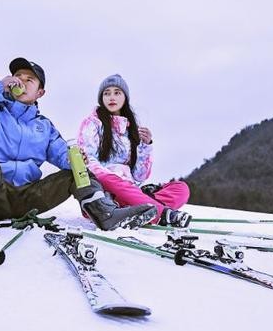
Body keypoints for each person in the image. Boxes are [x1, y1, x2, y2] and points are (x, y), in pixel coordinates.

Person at [0, 58, 157, 235]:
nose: (21, 81)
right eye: (18, 77)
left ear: (40, 92)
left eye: (29, 79)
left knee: (76, 169)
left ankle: (106, 214)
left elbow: (62, 155)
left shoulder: (44, 127)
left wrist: (75, 159)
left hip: (27, 197)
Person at [77, 74, 192, 227]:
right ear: (101, 98)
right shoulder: (92, 123)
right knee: (107, 178)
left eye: (117, 92)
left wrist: (146, 146)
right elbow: (89, 162)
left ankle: (138, 208)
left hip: (129, 190)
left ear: (125, 97)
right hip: (103, 192)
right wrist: (116, 179)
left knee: (181, 188)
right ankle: (161, 214)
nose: (111, 97)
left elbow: (139, 175)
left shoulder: (131, 129)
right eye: (107, 93)